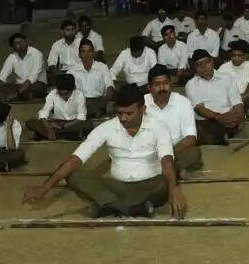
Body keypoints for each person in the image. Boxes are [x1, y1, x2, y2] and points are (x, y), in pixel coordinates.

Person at [22, 84, 187, 219]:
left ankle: (109, 206)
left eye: (129, 113)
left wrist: (174, 189)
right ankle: (131, 208)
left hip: (150, 186)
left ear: (142, 109)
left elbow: (166, 160)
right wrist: (45, 187)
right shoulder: (107, 128)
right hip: (116, 187)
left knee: (166, 181)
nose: (123, 118)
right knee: (74, 175)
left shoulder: (159, 127)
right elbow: (76, 159)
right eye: (120, 113)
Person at [144, 64, 203, 176]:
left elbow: (190, 139)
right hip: (149, 152)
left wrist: (167, 153)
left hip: (176, 151)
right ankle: (172, 171)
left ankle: (159, 172)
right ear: (149, 87)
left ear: (171, 83)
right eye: (157, 84)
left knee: (194, 153)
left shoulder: (183, 102)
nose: (162, 88)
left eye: (165, 83)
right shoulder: (141, 104)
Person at [184, 51, 244, 144]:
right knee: (195, 129)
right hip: (206, 121)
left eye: (206, 62)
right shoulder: (191, 84)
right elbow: (199, 109)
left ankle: (218, 137)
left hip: (228, 117)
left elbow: (237, 102)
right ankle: (217, 138)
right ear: (195, 68)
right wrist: (219, 117)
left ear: (212, 62)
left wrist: (238, 117)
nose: (203, 66)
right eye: (199, 64)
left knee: (235, 120)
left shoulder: (227, 78)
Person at [27, 73, 91, 141]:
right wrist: (49, 128)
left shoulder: (79, 95)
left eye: (65, 94)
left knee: (88, 124)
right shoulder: (52, 94)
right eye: (60, 94)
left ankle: (45, 135)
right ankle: (71, 135)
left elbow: (81, 117)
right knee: (30, 122)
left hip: (73, 123)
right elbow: (44, 112)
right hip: (57, 122)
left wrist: (63, 126)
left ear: (73, 89)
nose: (63, 96)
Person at [216, 41, 249, 118]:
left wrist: (242, 97)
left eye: (239, 56)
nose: (236, 58)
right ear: (231, 56)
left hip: (246, 100)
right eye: (234, 55)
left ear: (244, 56)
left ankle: (244, 110)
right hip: (229, 101)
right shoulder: (224, 67)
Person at [0, 32, 47, 102]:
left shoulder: (36, 54)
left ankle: (18, 98)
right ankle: (15, 99)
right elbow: (2, 77)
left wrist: (17, 93)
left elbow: (33, 77)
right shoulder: (12, 57)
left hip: (37, 84)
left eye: (22, 41)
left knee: (27, 91)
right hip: (19, 85)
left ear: (25, 41)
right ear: (13, 47)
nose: (21, 44)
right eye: (17, 43)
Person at [69, 39, 115, 118]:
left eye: (89, 51)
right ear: (79, 54)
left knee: (111, 106)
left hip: (99, 100)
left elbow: (109, 87)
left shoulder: (102, 67)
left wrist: (105, 99)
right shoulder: (72, 70)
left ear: (93, 53)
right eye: (83, 51)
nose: (87, 54)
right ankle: (94, 113)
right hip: (82, 101)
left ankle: (92, 113)